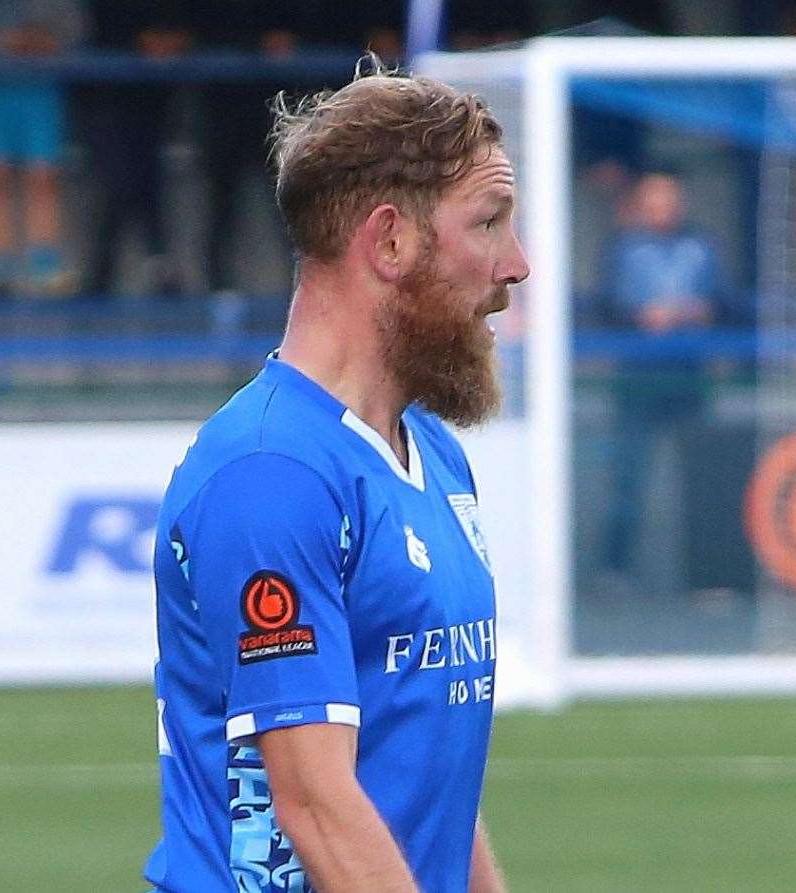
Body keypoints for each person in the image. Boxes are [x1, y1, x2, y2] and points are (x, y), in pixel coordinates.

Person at [145, 64, 528, 892]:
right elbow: (314, 803)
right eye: (490, 224)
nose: (518, 264)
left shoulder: (430, 450)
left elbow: (423, 784)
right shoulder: (271, 474)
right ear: (390, 242)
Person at [597, 169, 726, 578]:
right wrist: (638, 318)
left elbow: (727, 302)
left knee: (703, 480)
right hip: (638, 379)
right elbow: (604, 307)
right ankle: (615, 570)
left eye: (670, 200)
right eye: (654, 201)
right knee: (628, 480)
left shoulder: (702, 246)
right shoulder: (622, 249)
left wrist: (705, 313)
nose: (663, 210)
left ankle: (708, 573)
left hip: (689, 377)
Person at [0, 0, 84, 297]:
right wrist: (2, 43)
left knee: (42, 178)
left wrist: (41, 43)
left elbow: (74, 34)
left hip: (41, 91)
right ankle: (0, 267)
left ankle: (45, 266)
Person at [80, 0, 192, 298]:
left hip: (153, 98)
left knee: (144, 176)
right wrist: (135, 40)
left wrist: (176, 39)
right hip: (106, 94)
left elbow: (190, 17)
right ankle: (134, 267)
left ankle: (152, 265)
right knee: (121, 180)